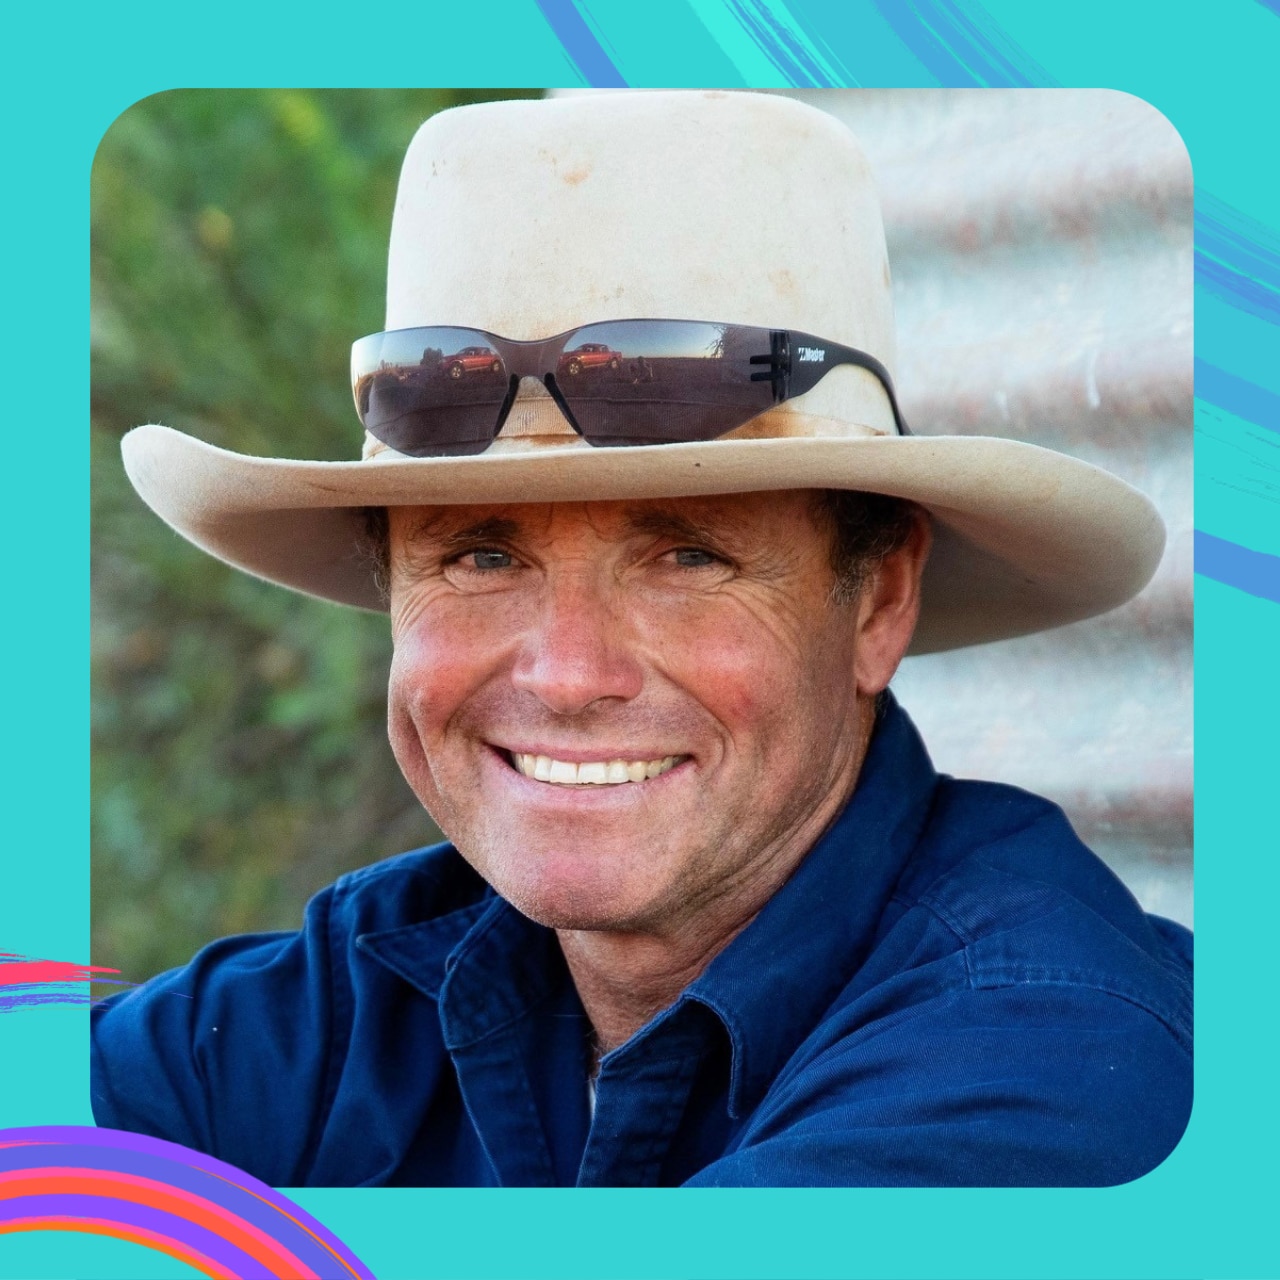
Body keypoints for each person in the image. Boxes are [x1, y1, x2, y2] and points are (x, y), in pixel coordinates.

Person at [91, 90, 1192, 1188]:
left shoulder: (1041, 1066)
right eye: (478, 556)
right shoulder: (371, 991)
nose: (567, 672)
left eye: (688, 559)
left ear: (876, 600)